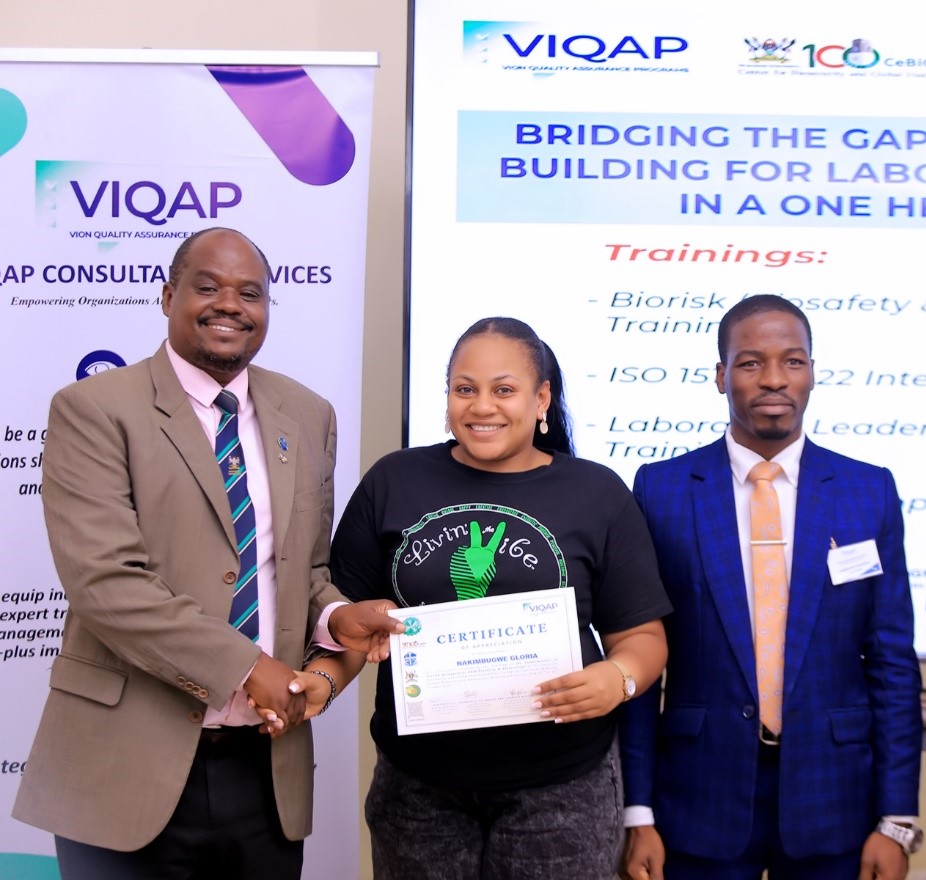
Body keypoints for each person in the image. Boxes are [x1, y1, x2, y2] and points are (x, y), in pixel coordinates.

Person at [12, 227, 402, 879]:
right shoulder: (94, 409)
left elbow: (301, 570)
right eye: (208, 287)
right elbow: (106, 584)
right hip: (123, 765)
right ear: (167, 296)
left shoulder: (308, 415)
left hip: (265, 770)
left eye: (250, 293)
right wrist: (248, 666)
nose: (230, 304)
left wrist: (338, 620)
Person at [330, 316, 672, 880]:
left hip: (564, 789)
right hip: (418, 792)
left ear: (542, 399)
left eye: (503, 390)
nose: (482, 406)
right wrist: (321, 681)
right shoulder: (394, 480)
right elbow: (344, 622)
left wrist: (619, 680)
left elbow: (642, 637)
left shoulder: (597, 492)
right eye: (465, 389)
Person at [619, 295, 924, 880]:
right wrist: (638, 811)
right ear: (721, 375)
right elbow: (640, 655)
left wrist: (896, 819)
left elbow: (891, 663)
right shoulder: (661, 491)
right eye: (751, 362)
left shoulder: (868, 492)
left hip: (834, 798)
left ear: (813, 372)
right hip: (697, 798)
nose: (775, 380)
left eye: (793, 361)